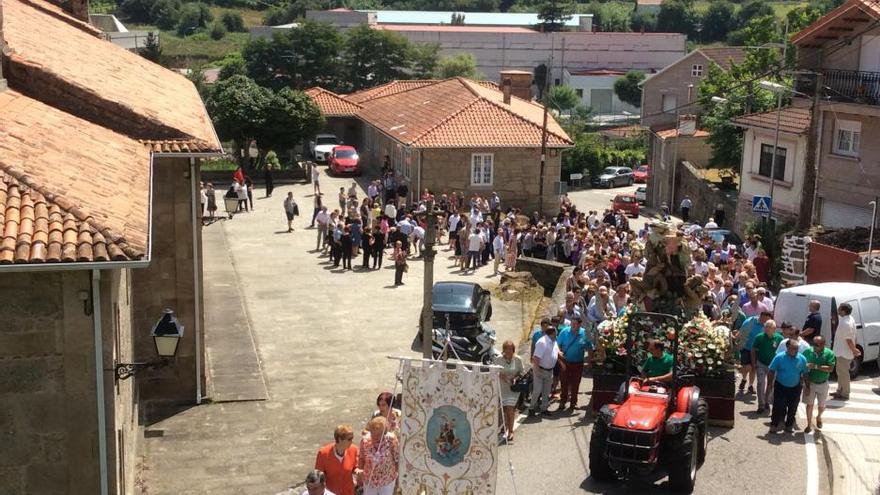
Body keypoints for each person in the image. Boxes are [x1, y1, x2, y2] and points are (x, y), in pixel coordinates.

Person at [767, 339, 808, 433]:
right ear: (788, 348)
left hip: (795, 387)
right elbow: (771, 370)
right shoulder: (779, 357)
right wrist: (769, 384)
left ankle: (789, 425)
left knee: (793, 407)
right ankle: (774, 424)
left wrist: (807, 387)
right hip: (780, 385)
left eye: (797, 348)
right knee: (778, 405)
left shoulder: (802, 358)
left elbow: (805, 373)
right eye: (794, 348)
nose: (796, 350)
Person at [556, 315, 592, 410]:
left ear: (580, 325)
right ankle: (563, 401)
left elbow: (589, 348)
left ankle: (573, 403)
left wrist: (589, 362)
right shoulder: (564, 332)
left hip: (578, 363)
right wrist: (559, 352)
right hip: (565, 362)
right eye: (572, 323)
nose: (573, 325)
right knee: (564, 382)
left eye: (575, 324)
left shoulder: (584, 334)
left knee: (576, 383)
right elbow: (557, 345)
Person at [356, 417, 399, 495]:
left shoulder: (391, 439)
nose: (375, 437)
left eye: (378, 434)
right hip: (369, 479)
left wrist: (398, 477)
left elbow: (396, 458)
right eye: (373, 433)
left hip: (387, 479)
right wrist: (360, 474)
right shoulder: (365, 440)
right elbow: (361, 458)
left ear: (385, 432)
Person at [802, 336, 835, 434]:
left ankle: (819, 416)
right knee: (809, 404)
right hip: (811, 382)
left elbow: (830, 368)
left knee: (821, 406)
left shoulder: (829, 353)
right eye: (813, 343)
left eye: (816, 344)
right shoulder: (808, 352)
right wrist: (805, 384)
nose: (814, 346)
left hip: (823, 383)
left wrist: (816, 366)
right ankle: (808, 424)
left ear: (823, 345)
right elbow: (802, 364)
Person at [734, 310, 771, 394]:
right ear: (761, 316)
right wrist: (737, 340)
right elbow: (742, 331)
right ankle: (744, 379)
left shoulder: (766, 326)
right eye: (765, 319)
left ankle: (750, 385)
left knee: (753, 368)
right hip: (746, 347)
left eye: (767, 320)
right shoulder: (750, 321)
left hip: (757, 350)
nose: (766, 322)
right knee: (747, 367)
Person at [751, 319, 783, 414]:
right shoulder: (759, 337)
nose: (767, 329)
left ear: (774, 329)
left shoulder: (779, 338)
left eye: (770, 327)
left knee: (771, 384)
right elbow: (753, 350)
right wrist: (753, 363)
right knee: (761, 383)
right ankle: (761, 404)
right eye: (766, 327)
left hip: (773, 366)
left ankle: (767, 401)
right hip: (761, 363)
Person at [530, 325, 562, 417]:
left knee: (546, 391)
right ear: (552, 333)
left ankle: (544, 408)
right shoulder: (542, 342)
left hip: (549, 370)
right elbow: (536, 357)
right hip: (540, 369)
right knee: (537, 390)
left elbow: (556, 351)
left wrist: (560, 357)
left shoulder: (554, 341)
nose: (557, 333)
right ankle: (531, 408)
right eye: (556, 332)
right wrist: (537, 370)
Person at [494, 340, 524, 442]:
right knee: (505, 409)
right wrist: (501, 375)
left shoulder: (518, 359)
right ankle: (505, 426)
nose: (508, 352)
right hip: (502, 387)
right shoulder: (498, 360)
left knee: (510, 409)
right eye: (506, 350)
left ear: (513, 350)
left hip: (513, 388)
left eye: (510, 350)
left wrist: (515, 377)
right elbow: (494, 371)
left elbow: (522, 372)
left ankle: (510, 431)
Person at [314, 426, 357, 495]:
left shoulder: (354, 450)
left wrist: (357, 473)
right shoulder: (323, 453)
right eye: (349, 439)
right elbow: (318, 477)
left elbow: (355, 467)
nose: (352, 441)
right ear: (340, 439)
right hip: (330, 492)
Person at [832, 302, 860, 401]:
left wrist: (854, 350)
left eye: (839, 308)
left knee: (843, 374)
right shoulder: (849, 319)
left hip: (843, 352)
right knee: (840, 373)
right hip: (842, 351)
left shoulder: (845, 323)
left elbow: (848, 339)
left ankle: (845, 393)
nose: (838, 310)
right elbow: (854, 336)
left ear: (843, 311)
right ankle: (839, 390)